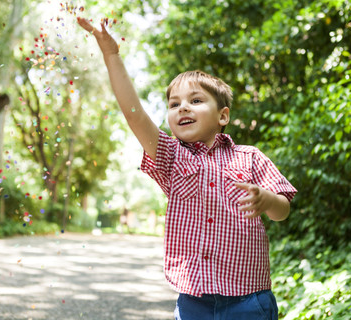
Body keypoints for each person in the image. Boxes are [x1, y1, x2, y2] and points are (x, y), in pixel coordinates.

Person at [77, 16, 297, 320]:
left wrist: (268, 200)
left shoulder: (250, 157)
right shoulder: (171, 157)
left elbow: (282, 210)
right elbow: (135, 115)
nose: (183, 107)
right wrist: (111, 55)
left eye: (195, 100)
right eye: (174, 103)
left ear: (223, 115)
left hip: (250, 298)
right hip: (194, 301)